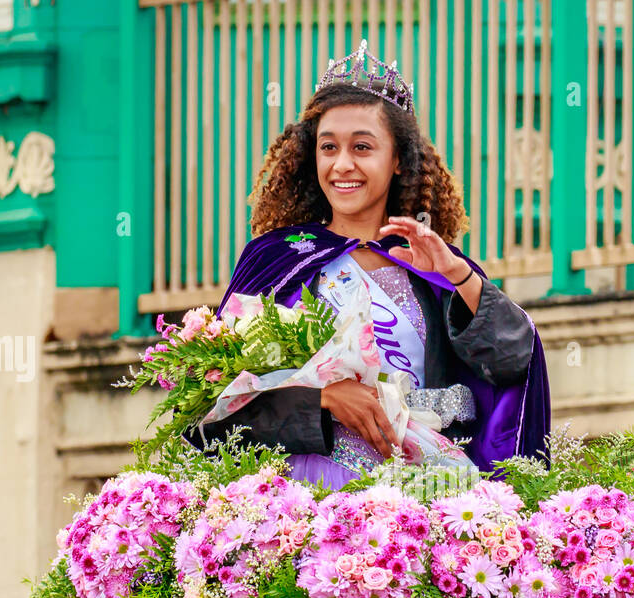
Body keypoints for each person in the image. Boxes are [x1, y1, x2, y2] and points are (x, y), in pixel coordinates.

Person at [181, 39, 550, 489]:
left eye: (362, 147)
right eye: (328, 147)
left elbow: (514, 361)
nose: (342, 165)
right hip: (308, 497)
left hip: (422, 493)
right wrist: (324, 398)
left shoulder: (436, 267)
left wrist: (457, 275)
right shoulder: (276, 258)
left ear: (397, 160)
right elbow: (217, 407)